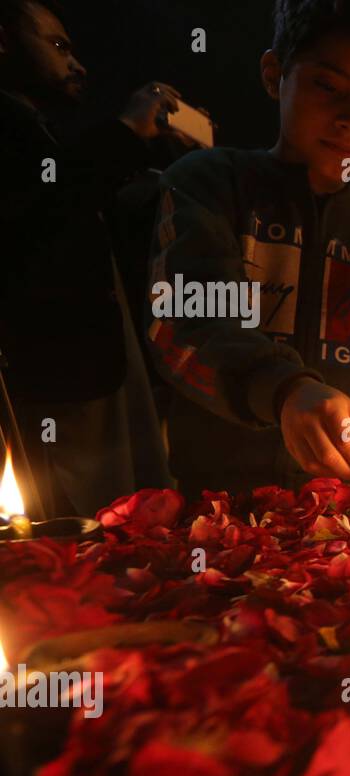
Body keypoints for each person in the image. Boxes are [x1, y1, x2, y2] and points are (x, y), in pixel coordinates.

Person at [146, 0, 350, 496]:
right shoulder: (211, 187)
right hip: (225, 506)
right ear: (274, 74)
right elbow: (185, 323)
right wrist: (284, 390)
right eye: (328, 88)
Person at [0, 0, 181, 517]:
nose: (77, 64)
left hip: (94, 371)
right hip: (50, 382)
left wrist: (160, 165)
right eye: (57, 46)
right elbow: (42, 204)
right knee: (72, 529)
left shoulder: (39, 132)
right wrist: (125, 132)